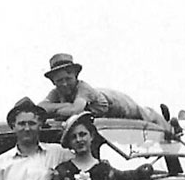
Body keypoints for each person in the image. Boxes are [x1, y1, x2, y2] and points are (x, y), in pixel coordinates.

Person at [37, 53, 169, 128]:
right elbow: (40, 108)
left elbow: (75, 110)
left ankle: (171, 126)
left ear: (76, 76)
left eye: (68, 78)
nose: (64, 84)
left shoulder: (84, 89)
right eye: (59, 81)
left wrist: (59, 108)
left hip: (116, 103)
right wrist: (65, 105)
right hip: (101, 117)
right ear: (54, 82)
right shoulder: (56, 93)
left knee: (146, 115)